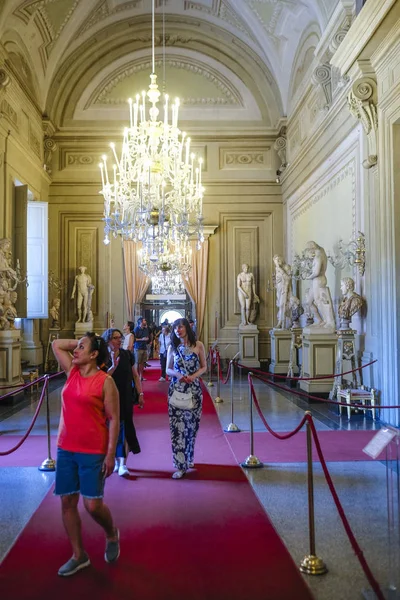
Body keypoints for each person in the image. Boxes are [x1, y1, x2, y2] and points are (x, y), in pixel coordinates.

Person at [51, 333, 120, 577]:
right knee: (67, 502)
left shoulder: (105, 382)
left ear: (94, 355)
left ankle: (111, 532)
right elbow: (56, 344)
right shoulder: (72, 372)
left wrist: (111, 454)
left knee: (92, 505)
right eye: (76, 347)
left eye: (82, 347)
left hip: (93, 451)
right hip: (66, 448)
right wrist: (82, 342)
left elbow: (113, 420)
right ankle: (79, 555)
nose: (75, 350)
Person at [166, 318, 207, 479]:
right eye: (175, 328)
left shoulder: (198, 345)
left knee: (192, 427)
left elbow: (204, 366)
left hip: (194, 390)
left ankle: (189, 457)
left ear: (187, 328)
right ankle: (180, 464)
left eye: (180, 327)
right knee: (178, 429)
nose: (177, 330)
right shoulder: (173, 347)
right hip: (176, 389)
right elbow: (167, 369)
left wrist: (193, 376)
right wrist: (178, 375)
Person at [102, 328, 144, 477]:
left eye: (120, 337)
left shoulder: (127, 355)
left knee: (125, 428)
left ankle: (122, 463)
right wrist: (112, 368)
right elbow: (98, 380)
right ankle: (113, 458)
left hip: (125, 396)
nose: (119, 340)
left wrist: (140, 393)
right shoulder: (102, 357)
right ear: (108, 340)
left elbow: (135, 376)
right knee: (110, 429)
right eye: (115, 338)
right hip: (108, 398)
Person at [304, 241, 335, 329]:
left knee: (319, 301)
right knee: (309, 302)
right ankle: (320, 320)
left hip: (319, 280)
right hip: (315, 281)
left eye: (309, 250)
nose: (310, 252)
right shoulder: (319, 255)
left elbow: (317, 272)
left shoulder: (319, 256)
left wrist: (308, 277)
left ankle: (327, 321)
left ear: (312, 249)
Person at [273, 255, 292, 329]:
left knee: (282, 305)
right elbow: (278, 280)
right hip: (279, 289)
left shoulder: (286, 267)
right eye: (275, 262)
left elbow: (288, 278)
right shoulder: (277, 269)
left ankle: (281, 323)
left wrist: (280, 269)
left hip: (285, 289)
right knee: (280, 305)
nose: (277, 263)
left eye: (278, 260)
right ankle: (281, 323)